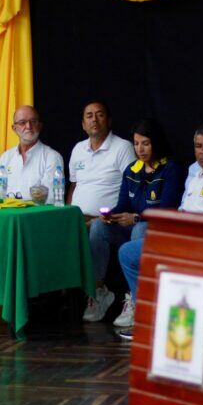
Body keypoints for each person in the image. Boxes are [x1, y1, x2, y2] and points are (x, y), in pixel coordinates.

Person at [116, 116, 203, 339]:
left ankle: (151, 320)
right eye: (198, 146)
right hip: (183, 238)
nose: (202, 152)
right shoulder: (199, 173)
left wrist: (180, 232)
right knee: (129, 252)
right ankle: (151, 317)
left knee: (131, 252)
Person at [87, 118, 184, 326]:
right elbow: (123, 204)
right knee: (98, 227)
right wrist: (109, 215)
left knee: (140, 228)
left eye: (145, 143)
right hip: (133, 225)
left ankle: (136, 299)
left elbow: (167, 210)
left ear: (156, 142)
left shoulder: (170, 169)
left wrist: (137, 217)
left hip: (160, 232)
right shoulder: (132, 169)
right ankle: (98, 292)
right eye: (136, 143)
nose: (140, 149)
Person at [68, 100, 136, 321]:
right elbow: (74, 186)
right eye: (89, 115)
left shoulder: (123, 147)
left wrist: (101, 217)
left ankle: (98, 292)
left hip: (108, 220)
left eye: (99, 114)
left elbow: (132, 188)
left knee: (96, 227)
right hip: (78, 217)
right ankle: (49, 300)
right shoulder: (78, 149)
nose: (94, 119)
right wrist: (68, 214)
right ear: (82, 123)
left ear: (109, 120)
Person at [0, 105, 64, 199]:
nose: (28, 126)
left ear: (39, 126)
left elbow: (50, 198)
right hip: (7, 212)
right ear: (14, 128)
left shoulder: (52, 157)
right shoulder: (6, 157)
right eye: (22, 123)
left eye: (33, 121)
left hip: (36, 213)